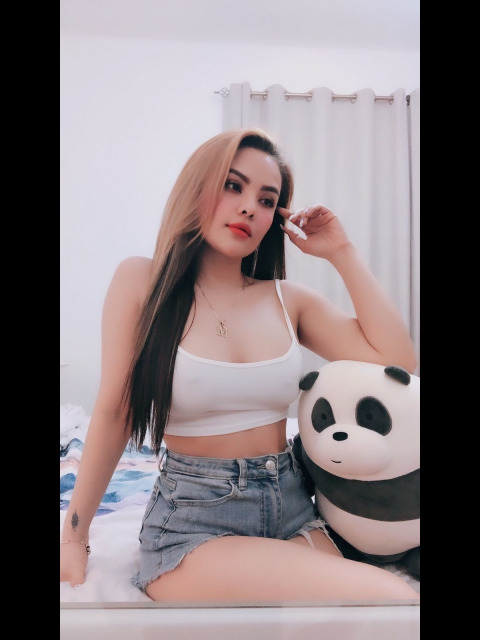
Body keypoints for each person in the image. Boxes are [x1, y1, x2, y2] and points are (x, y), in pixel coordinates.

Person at [60, 127, 419, 603]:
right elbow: (113, 412)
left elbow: (398, 362)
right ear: (197, 189)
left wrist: (341, 252)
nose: (250, 207)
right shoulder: (141, 281)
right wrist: (73, 536)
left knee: (363, 611)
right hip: (194, 525)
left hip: (294, 511)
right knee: (394, 597)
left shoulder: (288, 300)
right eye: (234, 186)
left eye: (267, 200)